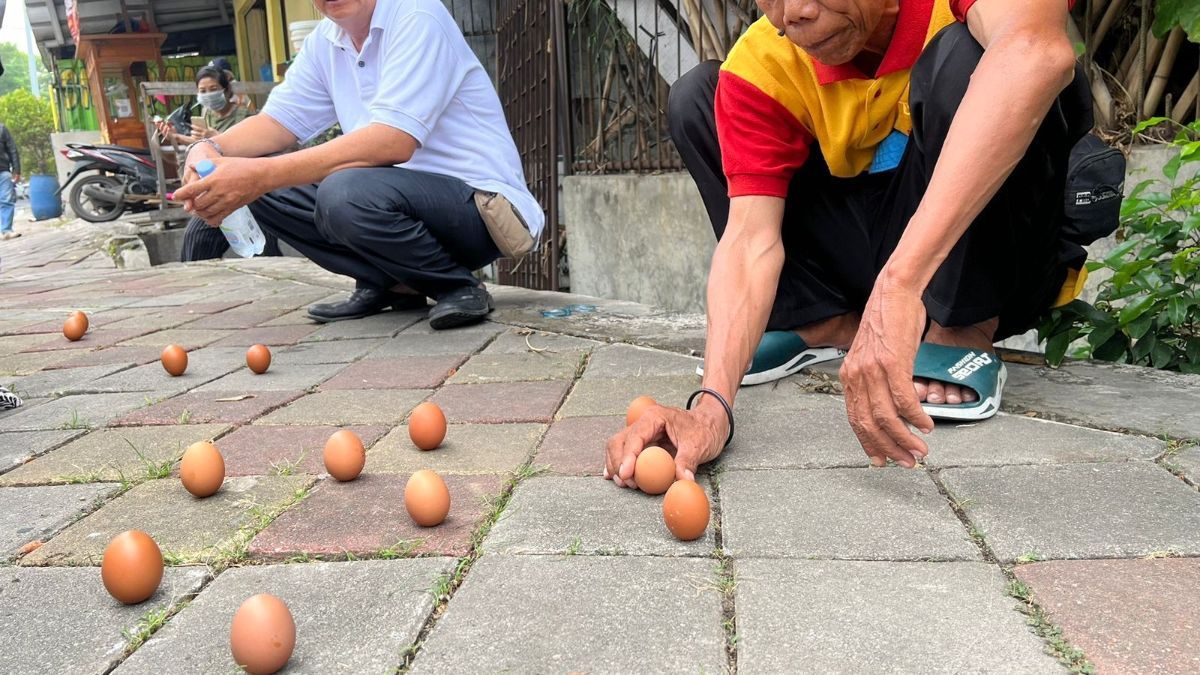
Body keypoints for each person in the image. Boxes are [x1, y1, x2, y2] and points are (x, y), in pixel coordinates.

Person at [606, 0, 1099, 486]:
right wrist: (712, 407)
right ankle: (828, 321)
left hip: (997, 249)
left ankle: (962, 326)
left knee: (971, 55)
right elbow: (749, 239)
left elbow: (1037, 51)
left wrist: (902, 283)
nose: (792, 12)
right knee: (703, 94)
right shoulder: (767, 61)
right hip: (874, 251)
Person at [175, 0, 542, 328]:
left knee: (342, 191)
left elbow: (392, 141)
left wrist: (258, 174)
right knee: (265, 187)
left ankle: (457, 286)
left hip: (481, 208)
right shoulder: (326, 41)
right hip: (392, 203)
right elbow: (276, 123)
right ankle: (390, 282)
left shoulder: (417, 14)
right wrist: (208, 149)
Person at [158, 66, 281, 261]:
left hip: (250, 193)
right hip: (216, 193)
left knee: (264, 250)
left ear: (226, 89)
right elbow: (204, 151)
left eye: (213, 88)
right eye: (202, 91)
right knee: (196, 241)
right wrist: (177, 138)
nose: (208, 95)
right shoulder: (205, 117)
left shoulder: (247, 117)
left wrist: (218, 139)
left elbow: (258, 149)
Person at [0, 122, 20, 240]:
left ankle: (6, 230)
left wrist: (17, 170)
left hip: (3, 171)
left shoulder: (1, 129)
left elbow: (13, 150)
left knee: (6, 200)